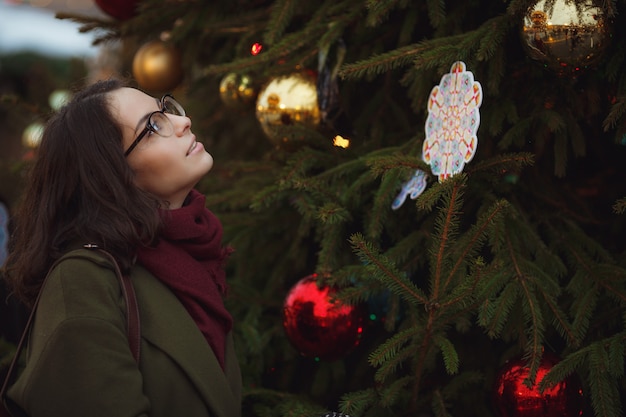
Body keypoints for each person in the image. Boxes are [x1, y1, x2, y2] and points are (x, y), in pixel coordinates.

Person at [1, 78, 242, 417]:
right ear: (111, 176)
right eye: (154, 126)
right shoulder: (82, 280)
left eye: (166, 110)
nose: (183, 121)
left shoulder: (191, 253)